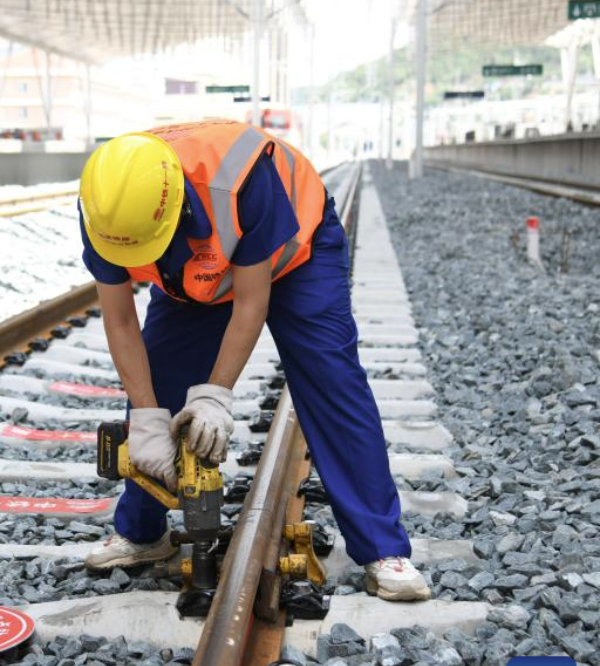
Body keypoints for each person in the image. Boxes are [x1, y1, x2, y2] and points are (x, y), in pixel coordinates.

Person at [77, 120, 431, 602]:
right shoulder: (106, 208)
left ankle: (382, 549)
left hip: (295, 257)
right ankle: (142, 534)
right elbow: (119, 321)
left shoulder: (241, 182)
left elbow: (250, 303)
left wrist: (214, 396)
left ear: (177, 209)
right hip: (190, 270)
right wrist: (144, 417)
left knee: (330, 380)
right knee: (154, 387)